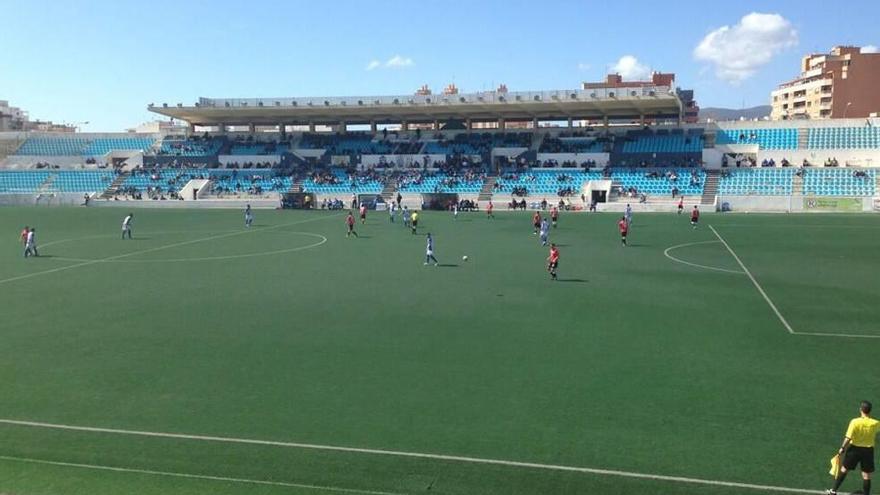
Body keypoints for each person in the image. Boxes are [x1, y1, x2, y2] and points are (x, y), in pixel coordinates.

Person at [827, 401, 879, 495]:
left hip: (854, 449)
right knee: (866, 474)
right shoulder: (875, 423)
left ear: (861, 410)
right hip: (868, 451)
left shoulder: (855, 422)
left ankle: (833, 490)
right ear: (870, 411)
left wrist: (842, 448)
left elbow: (848, 437)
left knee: (844, 469)